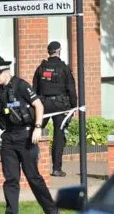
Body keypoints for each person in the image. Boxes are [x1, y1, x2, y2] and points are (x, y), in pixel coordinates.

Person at [0, 61, 59, 214]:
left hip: (26, 136)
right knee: (10, 179)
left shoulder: (21, 85)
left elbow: (39, 105)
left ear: (6, 72)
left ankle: (52, 211)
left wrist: (37, 128)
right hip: (8, 137)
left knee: (33, 177)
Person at [32, 41, 77, 177]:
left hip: (44, 104)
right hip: (60, 105)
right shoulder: (64, 69)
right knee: (58, 136)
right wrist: (73, 107)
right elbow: (71, 90)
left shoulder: (41, 68)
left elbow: (34, 89)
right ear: (59, 50)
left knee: (36, 132)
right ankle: (56, 169)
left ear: (48, 51)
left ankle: (30, 164)